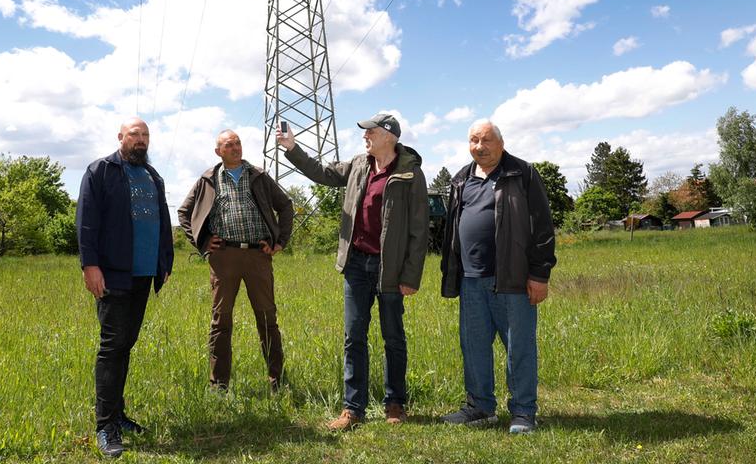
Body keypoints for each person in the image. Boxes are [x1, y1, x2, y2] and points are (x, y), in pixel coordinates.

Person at [277, 113, 428, 430]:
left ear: (388, 135)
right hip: (357, 264)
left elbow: (419, 230)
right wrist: (293, 148)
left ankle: (395, 404)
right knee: (353, 337)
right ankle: (352, 409)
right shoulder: (360, 165)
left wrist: (410, 276)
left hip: (390, 268)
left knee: (393, 337)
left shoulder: (410, 173)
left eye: (370, 132)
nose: (365, 137)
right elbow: (321, 173)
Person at [439, 120, 556, 435]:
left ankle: (522, 413)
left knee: (519, 347)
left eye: (486, 139)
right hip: (470, 280)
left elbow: (542, 227)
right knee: (474, 346)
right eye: (474, 140)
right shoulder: (461, 179)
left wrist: (540, 274)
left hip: (513, 280)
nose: (480, 146)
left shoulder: (522, 174)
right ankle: (480, 408)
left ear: (501, 143)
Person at [76, 117, 174, 458]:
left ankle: (118, 414)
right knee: (112, 346)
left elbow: (162, 220)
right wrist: (90, 265)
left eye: (145, 135)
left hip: (144, 275)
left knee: (125, 345)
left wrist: (165, 262)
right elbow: (87, 221)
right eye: (135, 134)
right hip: (114, 273)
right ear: (121, 137)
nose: (141, 140)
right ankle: (106, 426)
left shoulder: (153, 176)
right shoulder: (100, 171)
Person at [177, 129, 295, 392]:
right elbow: (184, 212)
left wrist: (280, 241)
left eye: (238, 143)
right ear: (218, 151)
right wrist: (203, 241)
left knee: (267, 318)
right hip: (224, 258)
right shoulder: (208, 179)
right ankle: (219, 385)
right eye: (229, 144)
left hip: (258, 256)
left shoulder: (259, 176)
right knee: (221, 320)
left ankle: (277, 380)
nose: (235, 147)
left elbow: (286, 205)